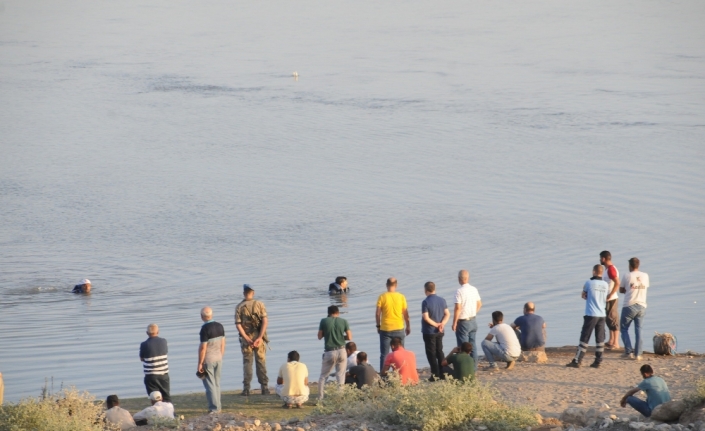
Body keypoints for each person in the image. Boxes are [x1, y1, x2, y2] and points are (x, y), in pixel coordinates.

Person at [566, 265, 608, 368]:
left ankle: (577, 360)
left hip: (591, 313)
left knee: (585, 337)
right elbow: (606, 297)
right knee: (600, 338)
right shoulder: (606, 284)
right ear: (601, 272)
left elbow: (584, 295)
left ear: (594, 272)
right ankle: (598, 361)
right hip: (602, 314)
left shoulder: (589, 283)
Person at [235, 284, 269, 396]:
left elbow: (238, 325)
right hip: (259, 337)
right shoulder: (259, 304)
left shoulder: (239, 307)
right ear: (253, 292)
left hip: (246, 339)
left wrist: (247, 338)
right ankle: (264, 388)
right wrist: (259, 337)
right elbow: (265, 321)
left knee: (247, 363)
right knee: (261, 362)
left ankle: (246, 389)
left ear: (244, 293)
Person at [375, 277, 411, 371]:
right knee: (401, 353)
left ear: (386, 285)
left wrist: (378, 325)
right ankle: (402, 373)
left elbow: (378, 313)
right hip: (399, 327)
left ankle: (383, 377)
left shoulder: (382, 297)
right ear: (396, 285)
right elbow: (405, 313)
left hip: (386, 328)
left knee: (384, 354)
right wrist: (408, 326)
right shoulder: (401, 297)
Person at [317, 305, 352, 399]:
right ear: (338, 312)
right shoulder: (344, 321)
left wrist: (327, 334)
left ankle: (320, 398)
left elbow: (319, 336)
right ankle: (339, 398)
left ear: (328, 313)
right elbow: (349, 337)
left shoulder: (324, 321)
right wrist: (341, 337)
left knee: (323, 376)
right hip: (342, 350)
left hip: (329, 351)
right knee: (340, 375)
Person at [620, 257, 650, 360]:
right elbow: (645, 287)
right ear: (638, 265)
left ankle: (628, 351)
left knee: (624, 329)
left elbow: (621, 289)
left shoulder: (627, 275)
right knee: (639, 330)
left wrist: (628, 289)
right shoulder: (645, 276)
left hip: (629, 305)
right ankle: (638, 354)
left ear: (630, 266)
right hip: (642, 305)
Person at [452, 270, 482, 370]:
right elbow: (479, 304)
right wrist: (473, 312)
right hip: (473, 320)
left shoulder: (459, 291)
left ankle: (464, 369)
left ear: (459, 279)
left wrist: (454, 322)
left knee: (463, 348)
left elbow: (458, 308)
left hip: (463, 322)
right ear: (468, 278)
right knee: (472, 346)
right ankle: (474, 368)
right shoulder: (474, 289)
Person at [198, 306, 226, 413]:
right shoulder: (220, 326)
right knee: (217, 383)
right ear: (212, 315)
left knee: (210, 385)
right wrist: (221, 355)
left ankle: (214, 409)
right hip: (218, 358)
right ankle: (218, 406)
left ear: (202, 317)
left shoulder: (204, 329)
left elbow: (203, 348)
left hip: (208, 359)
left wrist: (200, 363)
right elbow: (223, 343)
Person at [420, 281, 450, 381]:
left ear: (426, 290)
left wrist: (436, 325)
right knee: (439, 351)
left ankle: (435, 374)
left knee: (431, 353)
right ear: (434, 289)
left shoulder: (426, 302)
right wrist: (442, 324)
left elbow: (426, 317)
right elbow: (447, 314)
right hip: (440, 331)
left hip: (429, 331)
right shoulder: (442, 300)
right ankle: (443, 372)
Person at [139, 323, 170, 402]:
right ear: (158, 332)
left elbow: (142, 358)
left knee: (154, 397)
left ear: (147, 333)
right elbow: (165, 352)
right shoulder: (163, 341)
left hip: (150, 375)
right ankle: (169, 412)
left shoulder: (144, 344)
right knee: (166, 395)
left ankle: (156, 411)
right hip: (163, 374)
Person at [600, 251, 621, 349]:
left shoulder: (611, 269)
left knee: (613, 319)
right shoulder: (607, 269)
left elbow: (617, 282)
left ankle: (616, 343)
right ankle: (611, 340)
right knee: (608, 319)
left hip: (611, 298)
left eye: (601, 258)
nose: (600, 260)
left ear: (604, 258)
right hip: (607, 298)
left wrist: (611, 294)